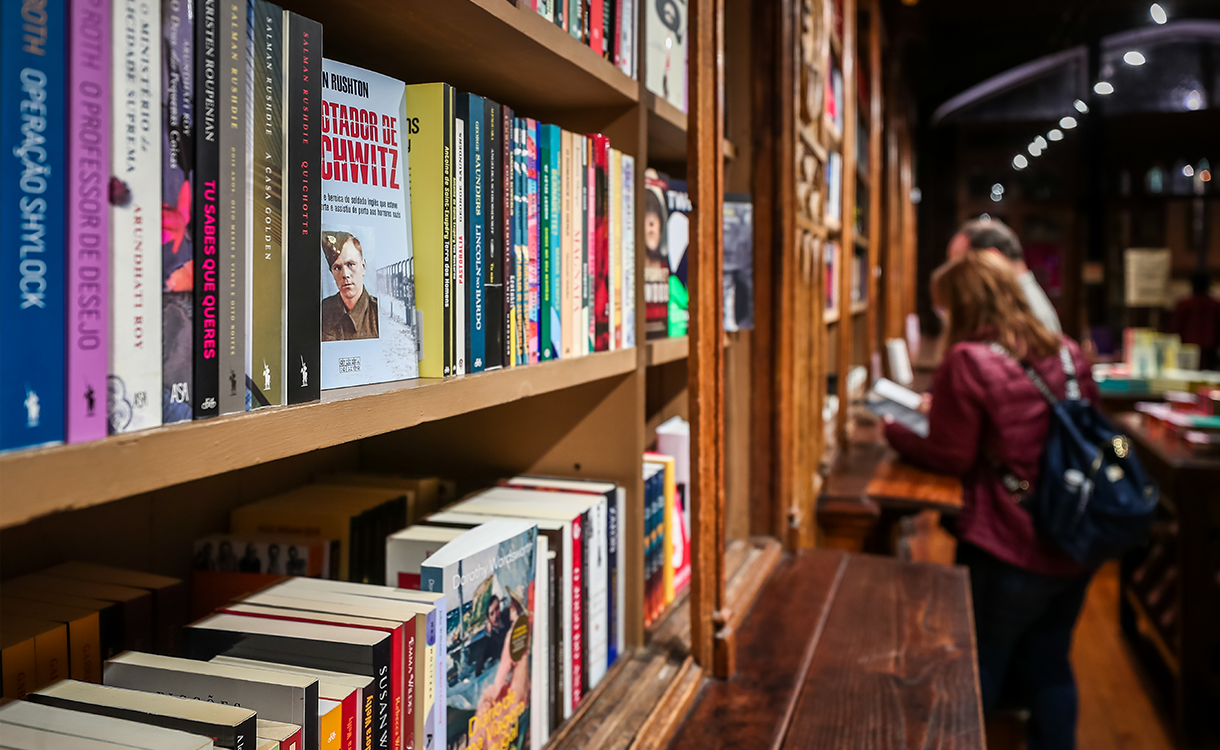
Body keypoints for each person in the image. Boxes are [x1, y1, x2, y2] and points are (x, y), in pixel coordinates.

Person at [884, 251, 1098, 750]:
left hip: (1010, 540)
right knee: (1051, 661)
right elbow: (1090, 428)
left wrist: (894, 431)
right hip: (1075, 535)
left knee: (977, 674)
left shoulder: (968, 360)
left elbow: (951, 456)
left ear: (962, 305)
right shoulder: (1066, 350)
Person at [948, 217, 1062, 335]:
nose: (956, 280)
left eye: (960, 268)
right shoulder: (1018, 300)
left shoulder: (1024, 310)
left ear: (992, 258)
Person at [321, 231, 380, 341]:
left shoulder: (379, 313)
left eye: (351, 264)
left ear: (363, 266)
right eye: (337, 268)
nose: (345, 275)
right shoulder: (321, 311)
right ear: (332, 272)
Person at [1170, 270, 1220, 369]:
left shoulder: (1184, 304)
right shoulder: (1215, 305)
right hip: (1209, 350)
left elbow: (1175, 327)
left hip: (1186, 348)